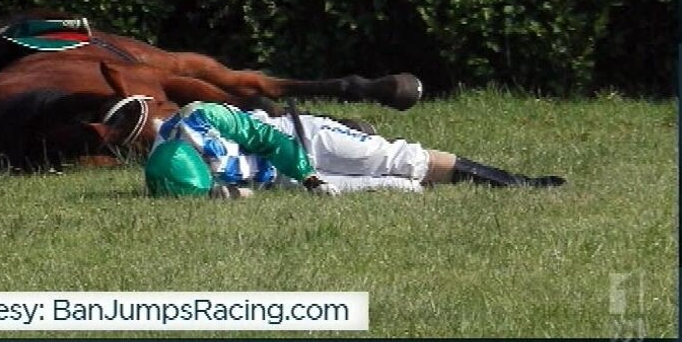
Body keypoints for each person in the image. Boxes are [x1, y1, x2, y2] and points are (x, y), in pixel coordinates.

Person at [141, 100, 565, 198]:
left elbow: (272, 141)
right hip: (282, 180)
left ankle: (516, 182)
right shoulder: (172, 180)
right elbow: (229, 195)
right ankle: (436, 187)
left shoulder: (205, 117)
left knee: (394, 158)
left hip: (298, 138)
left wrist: (308, 174)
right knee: (400, 190)